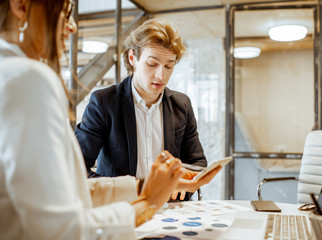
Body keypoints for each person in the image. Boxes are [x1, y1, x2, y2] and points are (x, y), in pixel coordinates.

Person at [0, 0, 187, 239]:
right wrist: (147, 203)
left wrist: (142, 187)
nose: (73, 27)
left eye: (169, 66)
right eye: (66, 13)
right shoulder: (28, 78)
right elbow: (61, 230)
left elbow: (60, 190)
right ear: (22, 6)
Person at [75, 18, 211, 200]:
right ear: (133, 58)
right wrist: (126, 192)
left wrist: (183, 181)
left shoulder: (182, 104)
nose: (161, 75)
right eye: (152, 64)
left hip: (171, 211)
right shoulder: (104, 102)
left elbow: (198, 164)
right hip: (123, 209)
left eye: (169, 66)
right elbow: (76, 168)